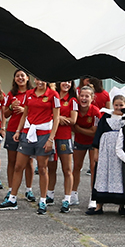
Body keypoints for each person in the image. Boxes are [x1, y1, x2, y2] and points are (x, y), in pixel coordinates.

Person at [0, 78, 60, 214]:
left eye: (43, 79)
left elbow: (56, 118)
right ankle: (12, 199)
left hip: (44, 134)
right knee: (19, 166)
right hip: (27, 133)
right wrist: (18, 131)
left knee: (42, 168)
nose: (40, 82)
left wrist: (51, 139)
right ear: (34, 80)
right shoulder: (29, 93)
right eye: (38, 79)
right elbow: (25, 114)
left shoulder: (53, 95)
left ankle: (42, 200)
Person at [88, 88, 125, 215]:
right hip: (106, 152)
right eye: (116, 105)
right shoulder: (106, 116)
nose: (118, 107)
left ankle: (121, 206)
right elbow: (98, 134)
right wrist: (96, 151)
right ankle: (99, 206)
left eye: (121, 105)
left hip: (121, 151)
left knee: (121, 175)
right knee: (103, 175)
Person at [2, 69, 35, 202]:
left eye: (22, 75)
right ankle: (11, 189)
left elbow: (37, 111)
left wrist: (24, 110)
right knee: (12, 161)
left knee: (29, 162)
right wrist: (10, 107)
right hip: (12, 130)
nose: (20, 78)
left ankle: (29, 190)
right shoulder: (11, 94)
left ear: (28, 78)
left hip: (28, 131)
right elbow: (4, 114)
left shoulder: (32, 93)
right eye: (17, 76)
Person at [47, 80, 78, 212]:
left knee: (67, 169)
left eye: (69, 82)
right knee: (51, 168)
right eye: (64, 81)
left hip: (64, 138)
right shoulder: (52, 96)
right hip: (50, 137)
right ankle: (49, 195)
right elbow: (46, 115)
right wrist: (58, 118)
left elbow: (72, 120)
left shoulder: (72, 100)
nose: (67, 84)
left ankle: (67, 198)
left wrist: (57, 117)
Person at [71, 85, 100, 207]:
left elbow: (94, 131)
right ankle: (73, 194)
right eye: (81, 95)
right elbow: (72, 126)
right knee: (77, 166)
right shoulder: (75, 109)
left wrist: (78, 129)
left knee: (93, 168)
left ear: (92, 98)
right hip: (79, 141)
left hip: (93, 142)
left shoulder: (95, 111)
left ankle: (93, 196)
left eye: (87, 96)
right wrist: (78, 130)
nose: (83, 98)